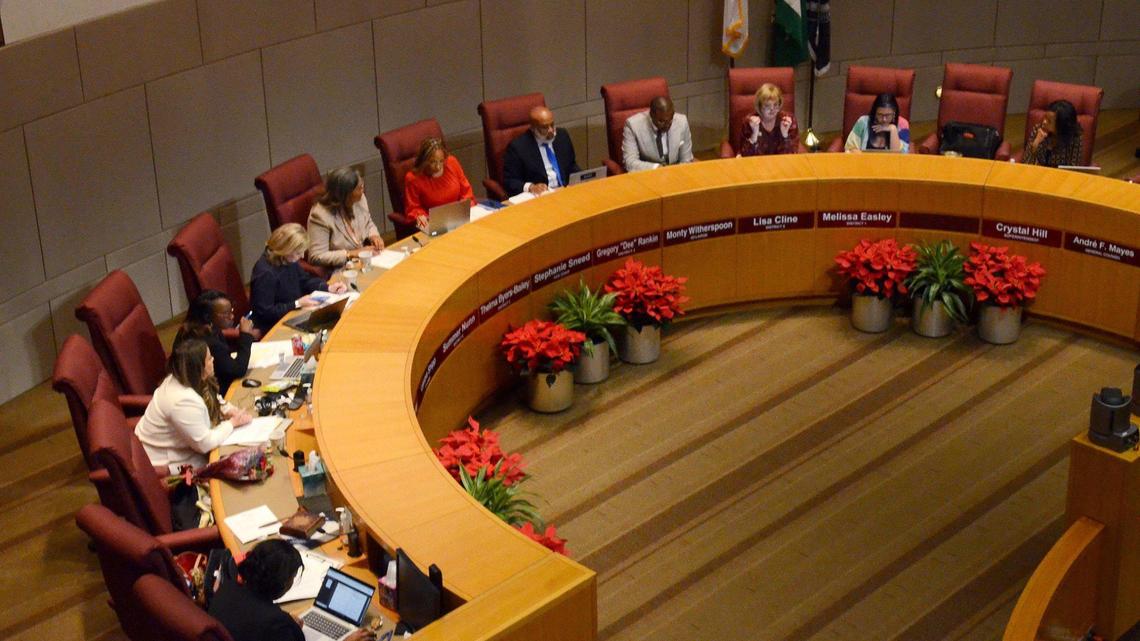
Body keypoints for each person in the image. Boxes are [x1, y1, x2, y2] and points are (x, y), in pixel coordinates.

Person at [209, 539, 374, 641]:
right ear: (281, 583)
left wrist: (286, 622)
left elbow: (250, 617)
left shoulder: (226, 589)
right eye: (292, 577)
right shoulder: (276, 625)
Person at [134, 338, 252, 473]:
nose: (213, 359)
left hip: (184, 449)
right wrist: (232, 423)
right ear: (199, 368)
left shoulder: (186, 377)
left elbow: (209, 395)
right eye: (209, 359)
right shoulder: (182, 402)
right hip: (165, 464)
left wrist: (228, 409)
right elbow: (205, 444)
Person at [250, 223, 348, 333]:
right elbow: (265, 313)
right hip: (274, 326)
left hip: (294, 314)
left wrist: (328, 288)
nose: (302, 256)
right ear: (285, 249)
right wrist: (297, 304)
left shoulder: (287, 259)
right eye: (298, 253)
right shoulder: (265, 273)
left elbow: (305, 281)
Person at [174, 290, 258, 395]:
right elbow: (237, 370)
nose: (232, 316)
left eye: (231, 310)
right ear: (207, 316)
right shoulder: (205, 340)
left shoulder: (200, 327)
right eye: (226, 313)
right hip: (206, 392)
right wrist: (245, 335)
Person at [307, 167, 384, 269]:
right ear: (346, 194)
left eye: (362, 185)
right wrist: (351, 254)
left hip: (364, 261)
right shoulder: (320, 216)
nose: (363, 190)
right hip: (341, 268)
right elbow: (316, 256)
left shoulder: (359, 200)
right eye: (359, 188)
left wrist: (374, 235)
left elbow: (368, 222)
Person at [502, 106, 581, 196]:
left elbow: (571, 165)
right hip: (542, 196)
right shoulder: (518, 147)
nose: (551, 130)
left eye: (552, 125)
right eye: (545, 127)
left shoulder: (562, 136)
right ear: (533, 128)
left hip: (566, 192)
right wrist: (531, 187)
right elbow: (510, 181)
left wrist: (582, 177)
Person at [403, 137, 477, 227]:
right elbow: (413, 209)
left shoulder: (452, 162)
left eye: (441, 161)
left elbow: (466, 192)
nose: (438, 167)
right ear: (424, 161)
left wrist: (467, 208)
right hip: (435, 224)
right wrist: (425, 222)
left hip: (459, 217)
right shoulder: (413, 178)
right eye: (432, 162)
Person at [622, 96, 694, 171]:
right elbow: (630, 162)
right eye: (661, 121)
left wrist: (677, 174)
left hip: (676, 172)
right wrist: (657, 168)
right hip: (649, 173)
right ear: (651, 115)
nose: (667, 125)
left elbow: (686, 159)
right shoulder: (633, 125)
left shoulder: (682, 121)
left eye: (670, 120)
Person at [739, 83, 799, 156]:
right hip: (757, 162)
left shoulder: (788, 121)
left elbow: (792, 155)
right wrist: (754, 135)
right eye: (767, 105)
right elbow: (744, 156)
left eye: (775, 105)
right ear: (760, 106)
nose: (772, 109)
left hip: (781, 162)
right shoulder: (749, 122)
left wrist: (785, 136)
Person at [1023, 99, 1083, 167]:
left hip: (1060, 173)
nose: (1044, 122)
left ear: (1061, 125)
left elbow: (1073, 167)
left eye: (1049, 121)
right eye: (1045, 117)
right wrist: (1035, 145)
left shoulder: (1075, 137)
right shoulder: (1038, 129)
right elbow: (1026, 164)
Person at [844, 93, 910, 153]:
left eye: (888, 115)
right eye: (880, 115)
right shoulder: (863, 122)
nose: (884, 119)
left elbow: (900, 157)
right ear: (875, 113)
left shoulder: (902, 125)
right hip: (863, 161)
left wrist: (893, 129)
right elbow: (849, 148)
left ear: (894, 114)